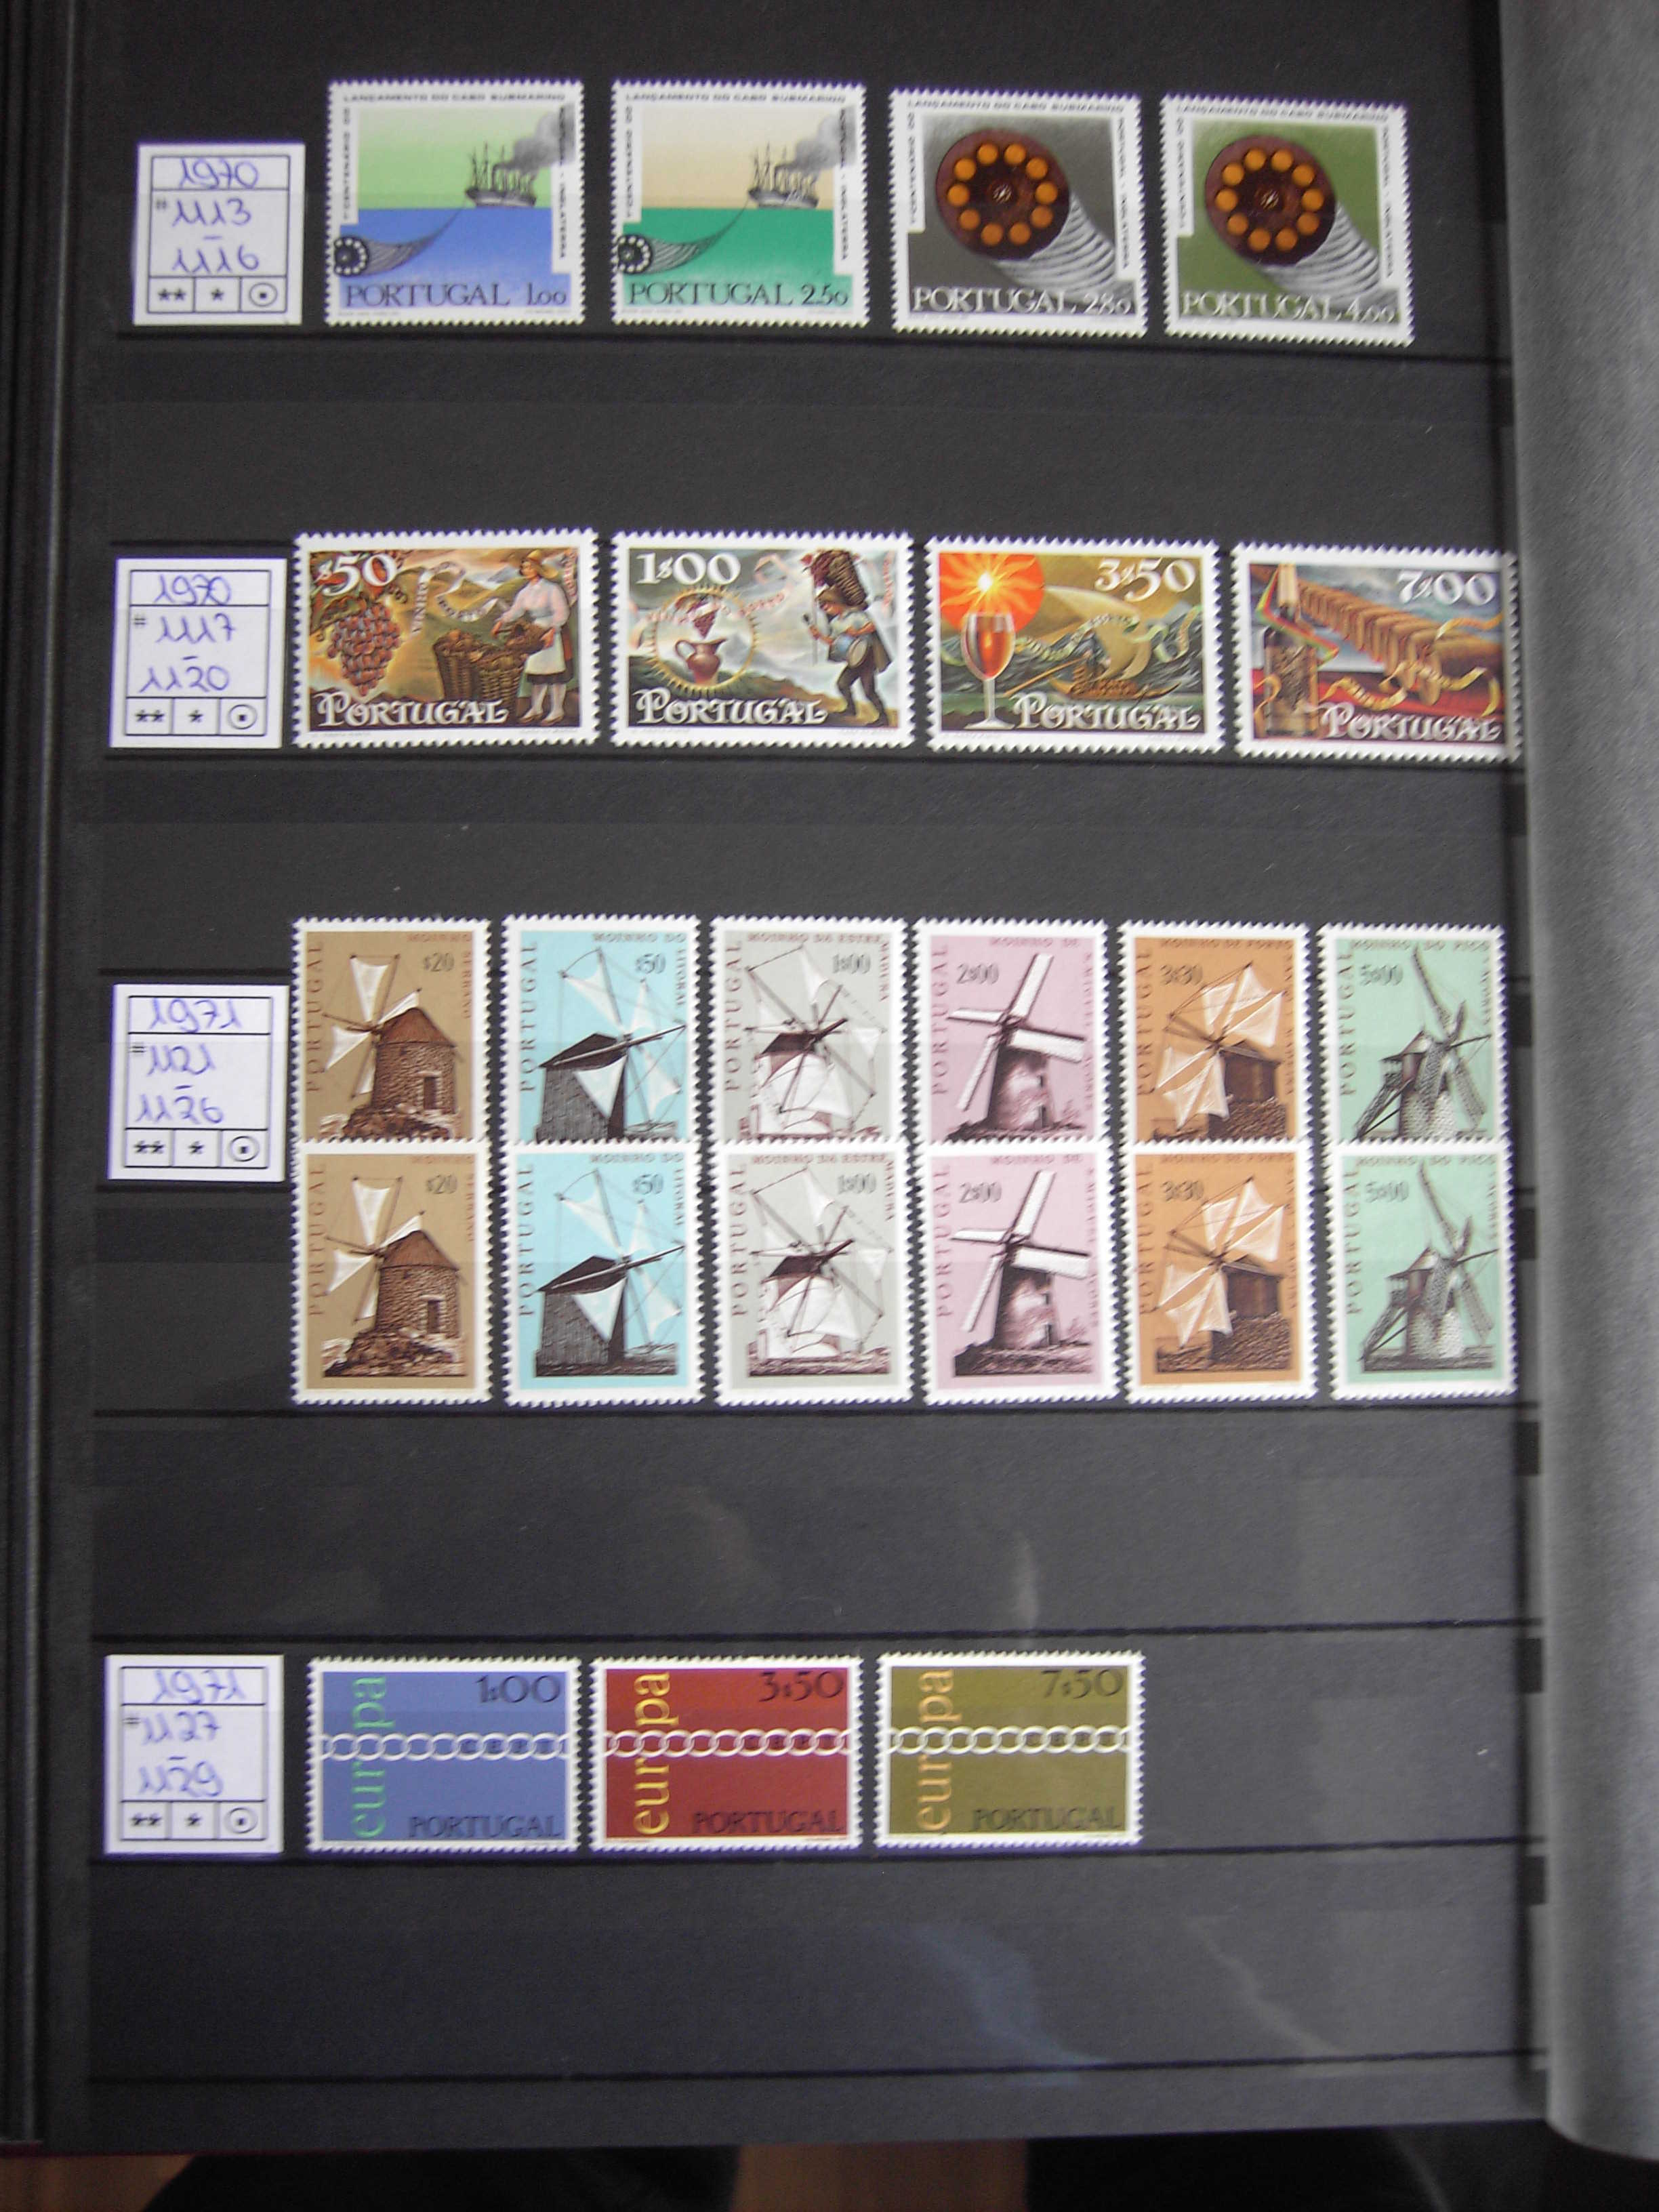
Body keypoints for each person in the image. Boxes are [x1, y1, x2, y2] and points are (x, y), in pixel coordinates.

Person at [804, 547, 892, 726]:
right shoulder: (836, 623)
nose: (826, 610)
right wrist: (818, 636)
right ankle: (851, 709)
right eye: (824, 608)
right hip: (854, 658)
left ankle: (883, 718)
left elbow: (872, 626)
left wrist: (857, 633)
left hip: (866, 656)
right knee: (842, 684)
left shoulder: (855, 615)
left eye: (827, 606)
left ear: (836, 603)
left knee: (868, 690)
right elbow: (833, 642)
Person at [495, 550, 573, 724]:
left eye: (529, 567)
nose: (526, 570)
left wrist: (552, 631)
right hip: (534, 632)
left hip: (554, 629)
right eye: (524, 567)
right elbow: (516, 610)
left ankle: (557, 710)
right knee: (537, 674)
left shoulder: (552, 589)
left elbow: (562, 612)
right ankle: (536, 708)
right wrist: (501, 621)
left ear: (538, 569)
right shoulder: (525, 592)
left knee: (555, 674)